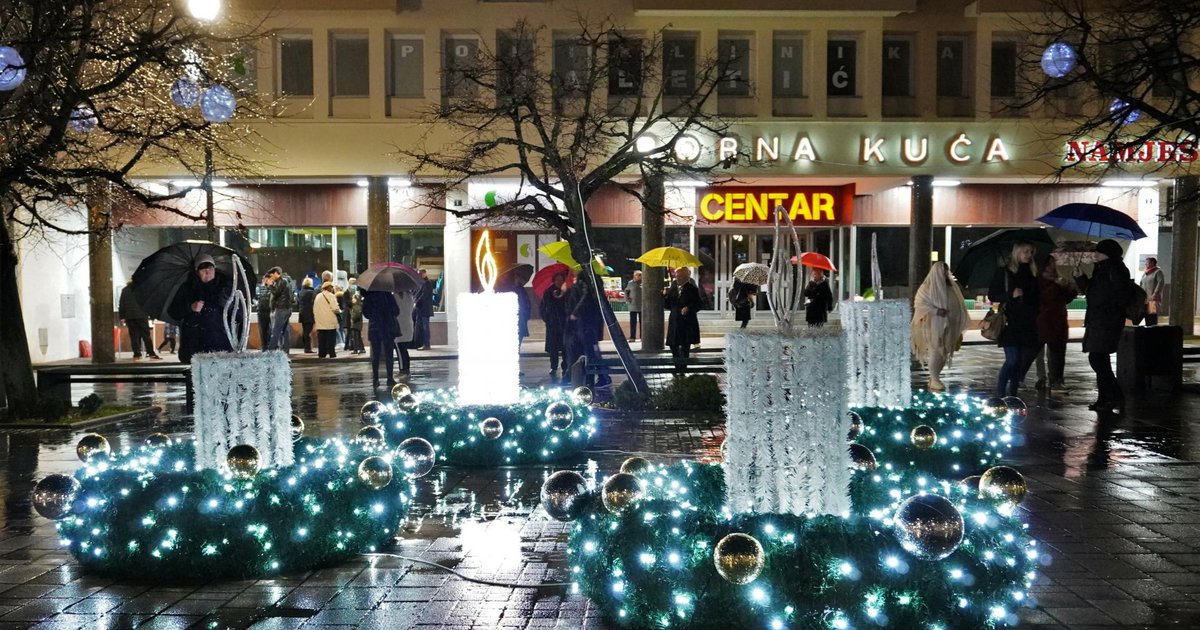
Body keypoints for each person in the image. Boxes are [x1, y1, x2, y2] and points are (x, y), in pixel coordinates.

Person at [1076, 239, 1131, 414]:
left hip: (1107, 321)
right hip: (1098, 320)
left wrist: (1108, 309)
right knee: (1100, 359)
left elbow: (1121, 296)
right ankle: (1106, 398)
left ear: (1107, 253)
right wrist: (1080, 278)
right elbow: (1092, 292)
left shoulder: (1115, 269)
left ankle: (1113, 395)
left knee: (1098, 359)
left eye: (1098, 251)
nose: (1095, 254)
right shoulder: (1102, 269)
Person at [988, 242, 1041, 398]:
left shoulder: (1033, 274)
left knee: (1019, 363)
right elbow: (993, 295)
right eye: (1025, 251)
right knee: (1012, 359)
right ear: (1017, 252)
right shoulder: (1004, 272)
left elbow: (1037, 298)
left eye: (1031, 252)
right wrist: (1011, 294)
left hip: (1028, 322)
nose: (1029, 255)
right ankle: (1000, 393)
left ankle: (1012, 395)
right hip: (1010, 322)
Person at [911, 262, 970, 391]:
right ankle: (934, 378)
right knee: (936, 351)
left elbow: (959, 303)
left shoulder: (951, 287)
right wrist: (936, 311)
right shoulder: (926, 288)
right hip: (933, 326)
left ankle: (935, 377)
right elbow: (920, 304)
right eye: (942, 271)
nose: (944, 274)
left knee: (944, 351)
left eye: (946, 271)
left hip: (950, 325)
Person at [168, 255, 236, 364]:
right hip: (194, 344)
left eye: (210, 268)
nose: (207, 272)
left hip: (220, 343)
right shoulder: (187, 288)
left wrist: (227, 304)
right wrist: (190, 307)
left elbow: (237, 314)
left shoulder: (225, 287)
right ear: (196, 272)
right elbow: (173, 311)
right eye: (203, 269)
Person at [1035, 256, 1077, 393]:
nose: (1053, 266)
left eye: (1054, 263)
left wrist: (1069, 288)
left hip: (1058, 321)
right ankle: (1039, 377)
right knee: (1037, 352)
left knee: (1058, 353)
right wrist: (1057, 286)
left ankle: (1057, 380)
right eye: (1050, 263)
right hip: (1043, 320)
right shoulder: (1038, 280)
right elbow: (1042, 298)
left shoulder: (1059, 279)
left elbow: (1066, 299)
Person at [665, 267, 701, 375]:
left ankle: (683, 368)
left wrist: (688, 308)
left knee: (685, 345)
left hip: (687, 322)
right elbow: (668, 305)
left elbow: (699, 304)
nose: (677, 277)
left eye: (680, 276)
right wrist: (664, 295)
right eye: (676, 275)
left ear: (686, 276)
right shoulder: (673, 287)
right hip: (675, 320)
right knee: (673, 344)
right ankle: (677, 366)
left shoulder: (692, 288)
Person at [363, 289, 400, 390]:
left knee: (376, 355)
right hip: (387, 327)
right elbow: (396, 311)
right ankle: (389, 378)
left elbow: (366, 313)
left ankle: (375, 379)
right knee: (389, 354)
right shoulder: (388, 296)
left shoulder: (369, 297)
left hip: (374, 328)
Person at [118, 280, 161, 361]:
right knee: (146, 335)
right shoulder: (143, 289)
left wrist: (122, 316)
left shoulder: (125, 290)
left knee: (134, 336)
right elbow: (149, 303)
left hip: (130, 316)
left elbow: (121, 304)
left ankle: (137, 355)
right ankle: (151, 353)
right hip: (141, 315)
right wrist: (152, 315)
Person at [541, 272, 569, 381]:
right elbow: (543, 307)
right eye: (557, 279)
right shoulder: (548, 292)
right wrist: (547, 319)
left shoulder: (567, 291)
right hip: (553, 325)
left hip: (565, 325)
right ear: (554, 280)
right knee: (553, 349)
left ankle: (565, 366)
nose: (559, 281)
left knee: (565, 348)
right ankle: (553, 367)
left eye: (561, 279)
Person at [266, 266, 296, 354]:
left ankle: (271, 351)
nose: (271, 277)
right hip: (287, 308)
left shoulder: (282, 281)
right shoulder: (286, 281)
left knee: (276, 330)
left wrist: (270, 285)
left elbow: (276, 293)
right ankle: (286, 350)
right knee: (285, 330)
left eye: (272, 275)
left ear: (276, 273)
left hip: (282, 309)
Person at [313, 281, 342, 358]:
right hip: (329, 321)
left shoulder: (318, 296)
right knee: (331, 339)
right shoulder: (331, 296)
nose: (332, 289)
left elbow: (314, 308)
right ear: (328, 287)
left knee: (321, 339)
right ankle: (331, 353)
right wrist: (339, 311)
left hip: (320, 321)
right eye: (331, 287)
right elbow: (335, 308)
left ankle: (322, 353)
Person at [394, 290, 416, 375]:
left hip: (399, 325)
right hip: (408, 324)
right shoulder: (410, 297)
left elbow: (394, 310)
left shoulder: (395, 297)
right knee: (404, 349)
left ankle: (403, 369)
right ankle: (406, 368)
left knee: (399, 349)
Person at [1140, 257, 1164, 326]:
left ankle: (1152, 332)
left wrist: (1155, 294)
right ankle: (1147, 331)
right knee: (1146, 316)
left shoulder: (1158, 272)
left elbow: (1161, 282)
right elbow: (1141, 284)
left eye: (1147, 262)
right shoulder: (1145, 274)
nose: (1145, 264)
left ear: (1152, 263)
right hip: (1145, 299)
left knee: (1152, 316)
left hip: (1152, 299)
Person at [415, 269, 436, 350]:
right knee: (422, 327)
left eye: (421, 274)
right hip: (421, 309)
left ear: (424, 274)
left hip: (425, 309)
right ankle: (423, 343)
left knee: (425, 327)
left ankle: (426, 344)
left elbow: (424, 295)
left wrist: (416, 303)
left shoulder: (427, 283)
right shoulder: (422, 283)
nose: (420, 275)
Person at [297, 277, 316, 353]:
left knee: (305, 330)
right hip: (310, 313)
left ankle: (306, 347)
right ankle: (308, 348)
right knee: (308, 331)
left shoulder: (301, 292)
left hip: (302, 313)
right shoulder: (312, 292)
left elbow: (298, 303)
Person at [624, 270, 642, 341]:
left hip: (642, 306)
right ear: (634, 276)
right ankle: (632, 337)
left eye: (640, 275)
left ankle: (642, 337)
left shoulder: (643, 283)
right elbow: (626, 292)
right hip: (633, 305)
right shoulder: (630, 283)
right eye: (638, 275)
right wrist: (627, 300)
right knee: (633, 322)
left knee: (642, 322)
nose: (639, 276)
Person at [256, 273, 272, 350]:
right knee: (263, 330)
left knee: (267, 330)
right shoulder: (260, 288)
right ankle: (265, 346)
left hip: (267, 311)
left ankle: (267, 345)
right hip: (263, 311)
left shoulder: (272, 288)